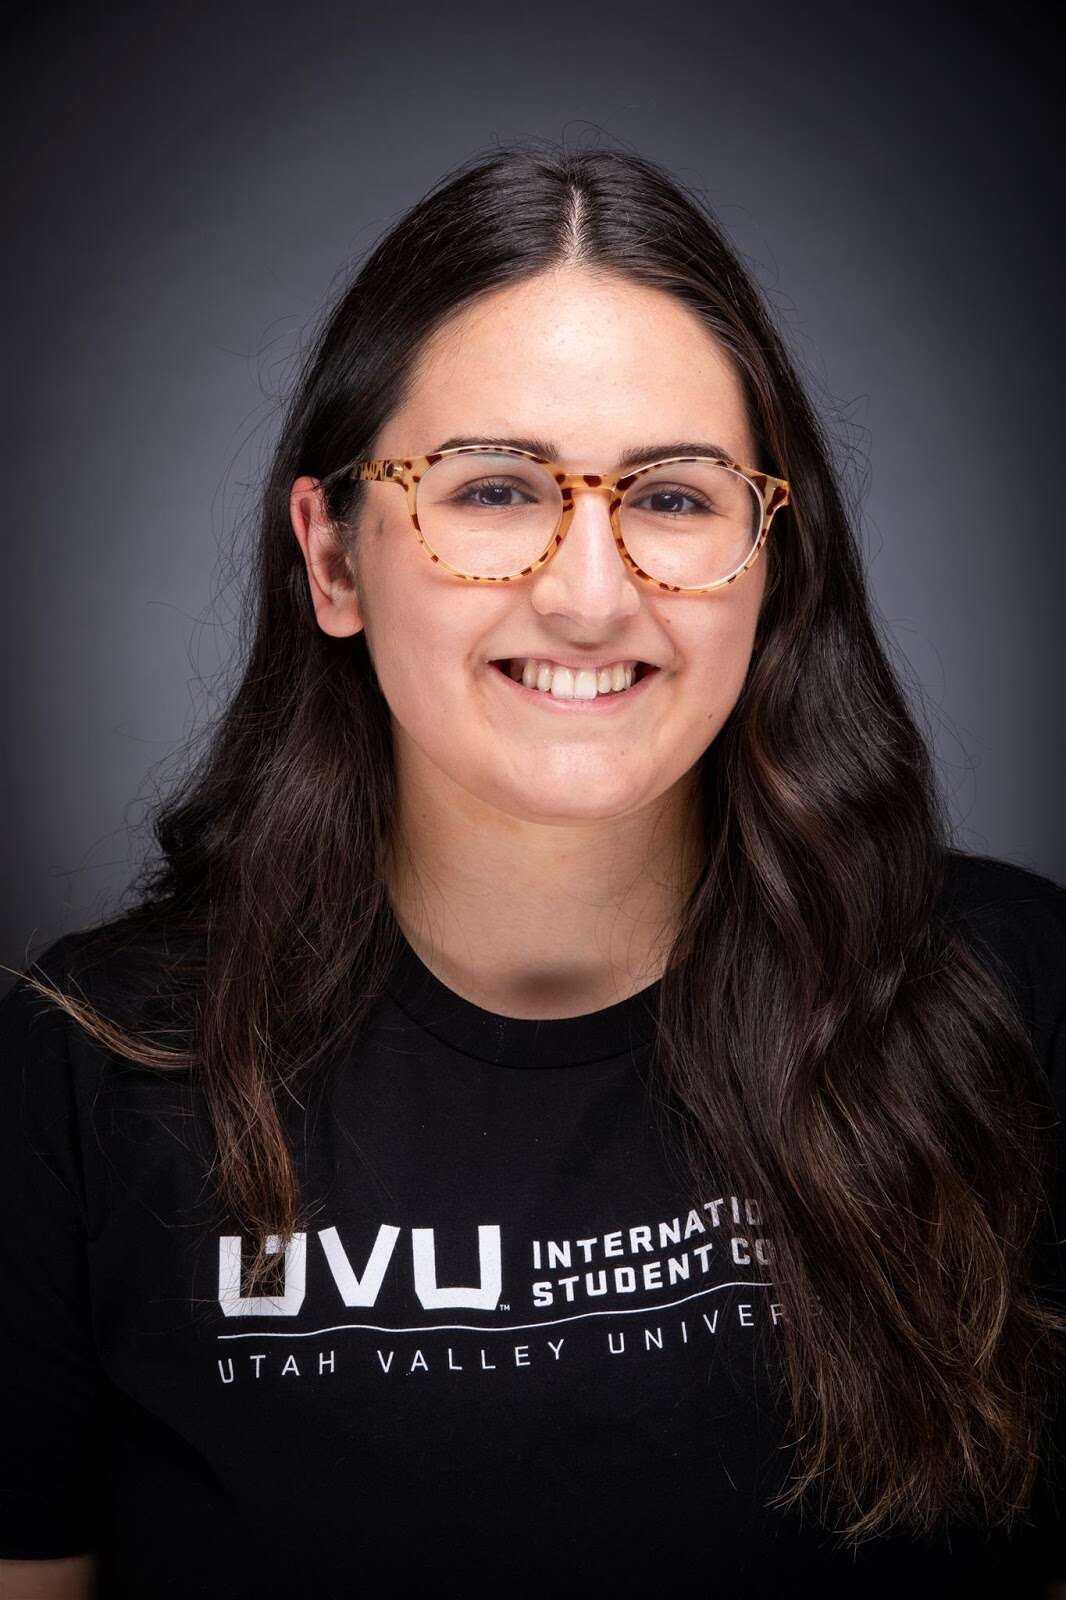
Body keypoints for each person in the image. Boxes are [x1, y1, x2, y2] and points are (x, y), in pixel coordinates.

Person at [0, 140, 1062, 1600]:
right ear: (333, 562)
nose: (588, 594)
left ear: (772, 558)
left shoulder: (1012, 1004)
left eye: (673, 499)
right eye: (494, 489)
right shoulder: (87, 1072)